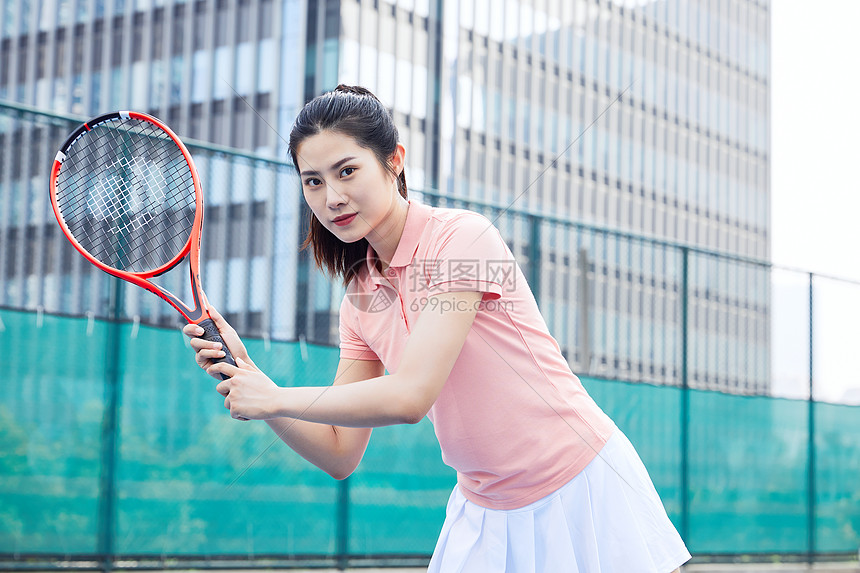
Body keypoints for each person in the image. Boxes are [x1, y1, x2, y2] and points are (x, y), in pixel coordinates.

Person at [183, 84, 691, 572]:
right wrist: (253, 379)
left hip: (583, 485)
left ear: (394, 161)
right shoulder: (361, 295)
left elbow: (410, 398)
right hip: (485, 508)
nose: (331, 195)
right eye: (313, 180)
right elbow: (339, 451)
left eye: (347, 170)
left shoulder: (463, 238)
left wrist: (274, 398)